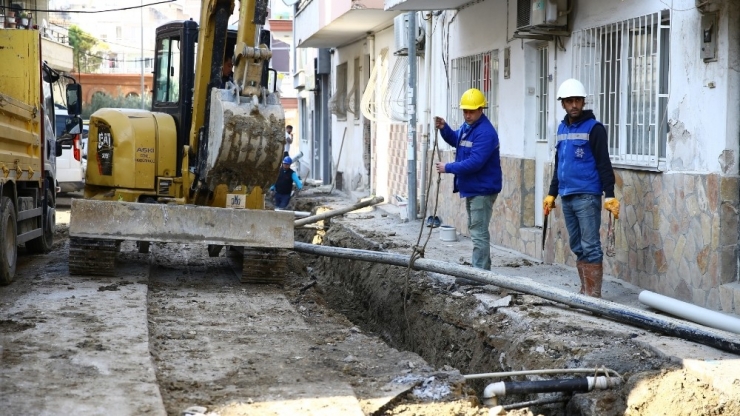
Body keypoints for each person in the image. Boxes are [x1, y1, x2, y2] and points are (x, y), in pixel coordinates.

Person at [543, 78, 619, 298]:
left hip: (587, 195)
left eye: (577, 100)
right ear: (563, 104)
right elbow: (560, 164)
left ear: (583, 102)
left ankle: (593, 296)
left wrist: (610, 195)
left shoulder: (594, 129)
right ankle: (585, 290)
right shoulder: (561, 128)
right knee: (577, 245)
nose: (573, 104)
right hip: (566, 195)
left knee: (590, 245)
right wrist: (551, 193)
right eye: (569, 101)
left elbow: (604, 163)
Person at [434, 88, 502, 270]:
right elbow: (457, 139)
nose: (467, 115)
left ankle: (480, 274)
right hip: (474, 187)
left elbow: (475, 163)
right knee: (476, 230)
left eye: (471, 111)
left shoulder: (485, 133)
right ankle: (480, 270)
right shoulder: (469, 127)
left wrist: (448, 167)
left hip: (482, 189)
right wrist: (444, 129)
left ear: (481, 109)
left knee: (478, 232)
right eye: (465, 111)